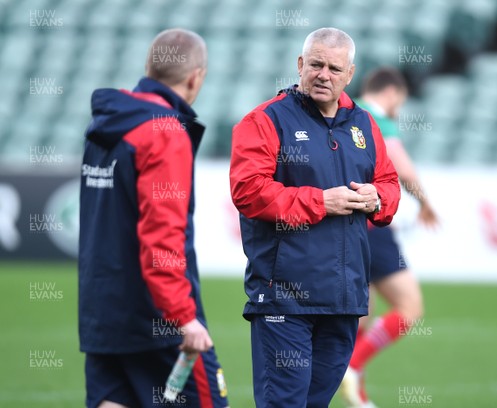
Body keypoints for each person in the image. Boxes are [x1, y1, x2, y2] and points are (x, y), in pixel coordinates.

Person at [229, 28, 400, 407]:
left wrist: (378, 198)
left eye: (334, 68)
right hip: (283, 299)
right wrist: (321, 202)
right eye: (316, 64)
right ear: (300, 64)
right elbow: (249, 191)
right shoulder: (264, 121)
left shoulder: (365, 125)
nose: (324, 74)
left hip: (343, 301)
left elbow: (389, 184)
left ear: (350, 74)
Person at [79, 29, 229, 408]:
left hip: (103, 315)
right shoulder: (165, 133)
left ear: (148, 68)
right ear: (197, 76)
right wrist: (182, 317)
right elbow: (161, 237)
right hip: (157, 320)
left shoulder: (104, 127)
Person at [340, 68, 440, 408]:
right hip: (374, 225)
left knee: (360, 315)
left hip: (346, 228)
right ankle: (352, 368)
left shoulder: (345, 112)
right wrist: (425, 203)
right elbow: (404, 170)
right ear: (393, 93)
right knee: (410, 307)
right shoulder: (379, 119)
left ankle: (357, 393)